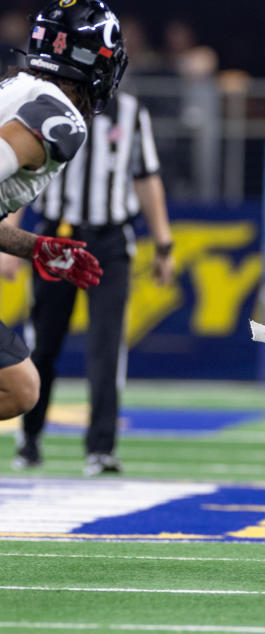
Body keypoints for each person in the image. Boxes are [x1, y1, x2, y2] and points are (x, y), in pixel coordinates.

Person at [3, 88, 172, 475]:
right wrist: (10, 235)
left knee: (107, 346)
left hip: (110, 241)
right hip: (56, 238)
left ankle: (101, 447)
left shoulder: (131, 110)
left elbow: (147, 178)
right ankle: (30, 436)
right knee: (42, 343)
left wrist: (164, 244)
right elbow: (23, 170)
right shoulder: (47, 107)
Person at [0, 1, 125, 438]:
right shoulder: (58, 118)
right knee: (17, 387)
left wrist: (32, 246)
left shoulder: (21, 89)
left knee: (18, 385)